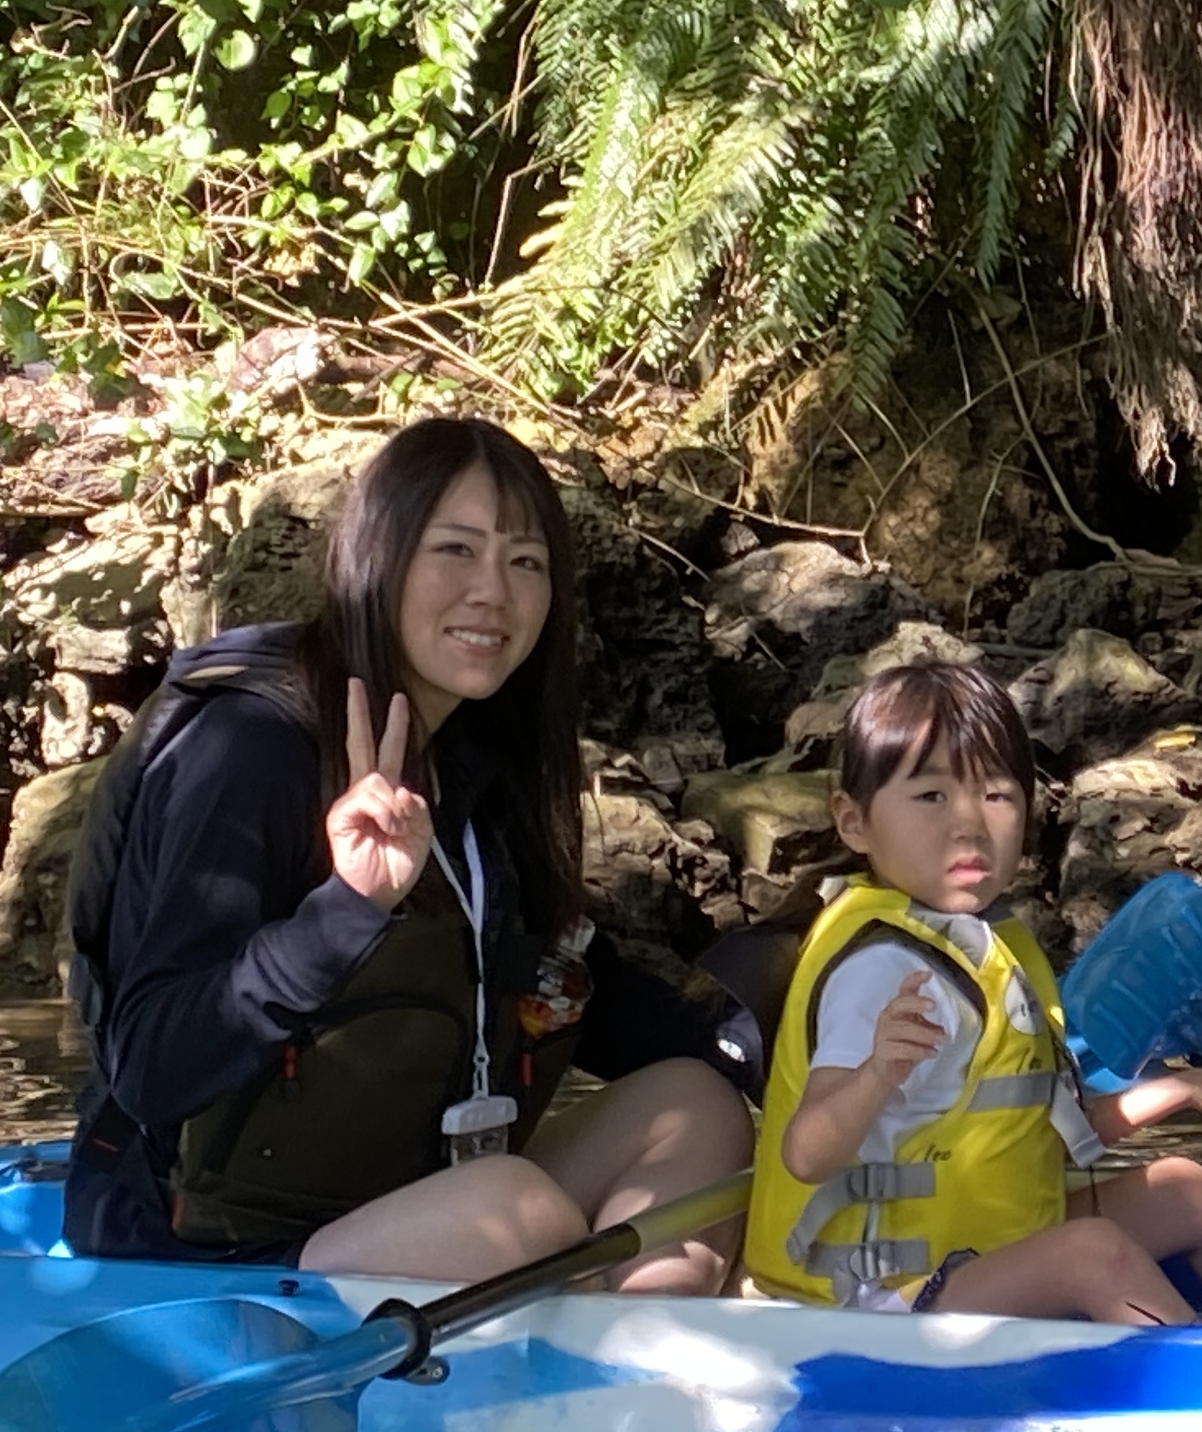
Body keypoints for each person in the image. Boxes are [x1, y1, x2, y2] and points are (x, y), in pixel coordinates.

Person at [60, 416, 754, 1289]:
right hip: (200, 1248)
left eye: (526, 562)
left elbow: (571, 977)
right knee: (522, 1209)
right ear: (376, 558)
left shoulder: (476, 759)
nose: (493, 593)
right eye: (455, 551)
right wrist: (346, 909)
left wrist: (787, 1062)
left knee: (694, 1103)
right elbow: (154, 1066)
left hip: (406, 1203)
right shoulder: (250, 746)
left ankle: (641, 1385)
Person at [738, 660, 1202, 1329]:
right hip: (874, 1297)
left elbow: (1034, 1133)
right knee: (1092, 1255)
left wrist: (1184, 1092)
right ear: (853, 822)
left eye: (997, 795)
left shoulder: (980, 943)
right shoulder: (882, 967)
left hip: (970, 1254)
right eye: (931, 796)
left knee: (1187, 1191)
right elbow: (806, 1153)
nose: (969, 823)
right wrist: (877, 1074)